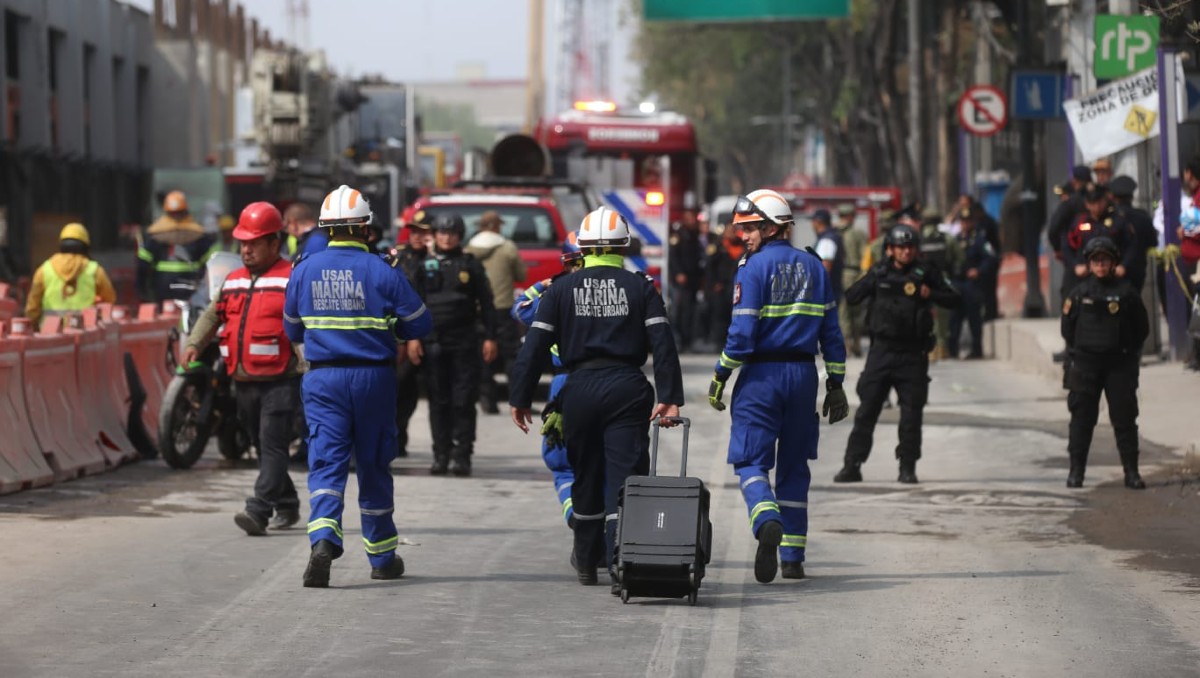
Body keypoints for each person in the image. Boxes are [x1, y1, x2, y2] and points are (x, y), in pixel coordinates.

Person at [509, 205, 684, 590]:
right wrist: (670, 395)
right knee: (626, 477)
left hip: (579, 388)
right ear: (623, 246)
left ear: (583, 248)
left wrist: (520, 396)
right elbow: (663, 343)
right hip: (627, 387)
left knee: (585, 475)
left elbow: (535, 345)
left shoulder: (560, 290)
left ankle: (587, 562)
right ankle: (625, 563)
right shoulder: (641, 286)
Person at [284, 184, 431, 588]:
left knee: (326, 462)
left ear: (325, 228)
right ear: (365, 228)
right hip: (374, 379)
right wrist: (390, 328)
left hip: (323, 379)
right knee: (373, 463)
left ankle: (323, 538)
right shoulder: (383, 271)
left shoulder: (303, 269)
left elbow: (291, 327)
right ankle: (382, 556)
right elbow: (420, 323)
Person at [707, 189, 848, 584]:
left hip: (762, 379)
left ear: (771, 228)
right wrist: (835, 383)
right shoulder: (815, 267)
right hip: (803, 379)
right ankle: (793, 558)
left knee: (751, 459)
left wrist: (720, 374)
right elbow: (832, 334)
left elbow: (742, 335)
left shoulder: (751, 268)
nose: (744, 237)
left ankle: (766, 518)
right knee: (794, 467)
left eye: (750, 229)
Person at [181, 202, 301, 535]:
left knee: (273, 444)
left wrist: (310, 368)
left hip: (282, 380)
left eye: (254, 243)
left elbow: (308, 327)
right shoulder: (233, 281)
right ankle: (288, 503)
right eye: (242, 243)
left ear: (274, 244)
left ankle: (258, 509)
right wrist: (194, 344)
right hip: (244, 379)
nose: (245, 250)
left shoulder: (291, 279)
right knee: (262, 445)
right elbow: (211, 316)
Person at [833, 224, 961, 485]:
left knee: (911, 415)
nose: (905, 252)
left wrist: (931, 293)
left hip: (912, 354)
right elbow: (852, 296)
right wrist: (867, 280)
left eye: (910, 247)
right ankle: (852, 465)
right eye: (900, 247)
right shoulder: (879, 272)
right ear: (889, 249)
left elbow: (955, 299)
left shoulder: (926, 273)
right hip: (881, 352)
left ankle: (907, 466)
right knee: (867, 411)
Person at [411, 213, 497, 476]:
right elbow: (413, 303)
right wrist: (412, 338)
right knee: (439, 402)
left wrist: (491, 336)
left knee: (463, 401)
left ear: (460, 236)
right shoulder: (423, 265)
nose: (446, 238)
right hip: (433, 341)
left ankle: (462, 456)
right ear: (434, 235)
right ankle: (441, 455)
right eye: (442, 233)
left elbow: (487, 302)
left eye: (452, 233)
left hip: (464, 342)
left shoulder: (470, 265)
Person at [1061, 236, 1149, 490]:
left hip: (1118, 365)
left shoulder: (1127, 293)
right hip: (1086, 365)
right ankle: (1076, 472)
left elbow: (1141, 328)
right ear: (1089, 264)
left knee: (1124, 419)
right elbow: (1068, 329)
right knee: (1081, 420)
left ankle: (1131, 472)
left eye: (1105, 260)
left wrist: (1125, 352)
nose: (1100, 265)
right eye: (1096, 260)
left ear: (1113, 263)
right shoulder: (1078, 294)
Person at [510, 234, 586, 527]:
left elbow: (519, 308)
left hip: (566, 386)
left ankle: (575, 516)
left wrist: (544, 284)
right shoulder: (621, 289)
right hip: (616, 382)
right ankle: (609, 527)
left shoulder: (554, 295)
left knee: (564, 464)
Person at [465, 210, 527, 414]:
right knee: (512, 355)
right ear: (496, 226)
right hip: (503, 307)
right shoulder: (507, 247)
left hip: (477, 310)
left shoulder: (468, 250)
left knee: (483, 357)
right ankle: (517, 399)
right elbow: (521, 274)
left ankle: (487, 401)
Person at [388, 210, 433, 458]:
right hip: (406, 333)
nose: (418, 237)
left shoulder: (438, 258)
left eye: (423, 232)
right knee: (402, 388)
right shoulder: (399, 258)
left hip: (435, 333)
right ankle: (398, 438)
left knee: (424, 392)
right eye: (415, 231)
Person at [26, 223, 117, 328]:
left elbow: (32, 308)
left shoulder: (44, 270)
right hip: (85, 334)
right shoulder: (95, 271)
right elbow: (109, 300)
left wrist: (33, 329)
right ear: (85, 246)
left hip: (50, 335)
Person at [136, 190, 218, 302]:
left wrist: (141, 290)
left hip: (164, 286)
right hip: (189, 286)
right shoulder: (198, 234)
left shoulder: (154, 234)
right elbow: (211, 262)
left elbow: (143, 266)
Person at [948, 205, 997, 359]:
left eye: (968, 221)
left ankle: (977, 350)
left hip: (972, 285)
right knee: (954, 319)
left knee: (974, 319)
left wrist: (979, 271)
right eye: (963, 221)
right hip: (957, 283)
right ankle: (952, 350)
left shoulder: (979, 240)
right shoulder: (955, 240)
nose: (965, 224)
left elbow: (990, 258)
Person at [918, 207, 964, 361]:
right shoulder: (947, 239)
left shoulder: (917, 239)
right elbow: (960, 258)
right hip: (941, 279)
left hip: (921, 280)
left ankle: (928, 349)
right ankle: (942, 347)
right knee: (942, 315)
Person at [1108, 175, 1157, 294]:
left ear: (1113, 197)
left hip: (1113, 269)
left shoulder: (1110, 217)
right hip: (1137, 270)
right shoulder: (1142, 216)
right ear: (1131, 196)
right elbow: (1153, 242)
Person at [668, 210, 704, 352]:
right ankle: (680, 341)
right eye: (689, 219)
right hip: (682, 280)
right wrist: (678, 273)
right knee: (680, 311)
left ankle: (689, 340)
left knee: (691, 311)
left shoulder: (695, 235)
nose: (692, 221)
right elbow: (674, 256)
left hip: (693, 279)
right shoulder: (679, 235)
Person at [705, 221, 745, 348]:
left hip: (737, 286)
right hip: (721, 287)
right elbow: (710, 267)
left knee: (735, 315)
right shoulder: (718, 246)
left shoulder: (743, 245)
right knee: (720, 315)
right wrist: (714, 284)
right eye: (729, 230)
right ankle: (719, 342)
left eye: (733, 230)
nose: (731, 233)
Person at [836, 204, 868, 357]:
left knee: (843, 311)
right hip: (854, 273)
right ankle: (855, 343)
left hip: (839, 274)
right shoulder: (857, 233)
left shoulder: (834, 232)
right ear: (851, 217)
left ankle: (846, 343)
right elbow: (865, 256)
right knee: (855, 310)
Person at [1048, 165, 1092, 262]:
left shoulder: (1071, 202)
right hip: (1096, 249)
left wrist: (1057, 247)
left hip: (1073, 250)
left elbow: (1055, 225)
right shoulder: (1100, 198)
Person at [811, 209, 844, 300]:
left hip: (828, 293)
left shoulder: (827, 240)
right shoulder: (830, 236)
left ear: (818, 222)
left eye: (813, 221)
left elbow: (825, 268)